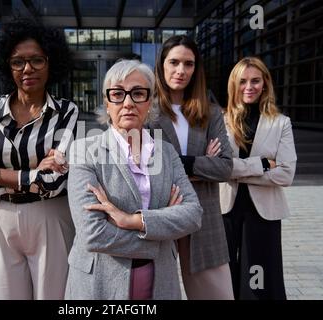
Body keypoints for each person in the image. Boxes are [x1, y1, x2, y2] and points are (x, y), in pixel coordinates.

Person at [0, 18, 78, 300]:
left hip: (51, 218)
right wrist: (33, 174)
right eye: (17, 62)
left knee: (54, 297)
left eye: (37, 60)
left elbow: (55, 181)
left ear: (51, 62)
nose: (27, 69)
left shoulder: (66, 112)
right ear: (6, 66)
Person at [65, 59, 203, 300]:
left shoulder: (166, 152)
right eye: (118, 94)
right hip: (101, 282)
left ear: (149, 102)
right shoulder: (83, 150)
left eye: (138, 93)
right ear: (107, 103)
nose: (128, 102)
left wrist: (133, 220)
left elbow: (193, 214)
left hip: (160, 280)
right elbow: (93, 233)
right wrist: (159, 236)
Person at [149, 35, 234, 299]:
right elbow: (144, 166)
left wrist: (180, 163)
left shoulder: (210, 112)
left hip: (204, 218)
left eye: (188, 64)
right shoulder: (146, 112)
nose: (181, 70)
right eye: (174, 62)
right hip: (160, 213)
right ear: (162, 65)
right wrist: (200, 164)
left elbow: (225, 168)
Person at [220, 57, 297, 300]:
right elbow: (217, 169)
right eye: (242, 81)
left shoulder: (281, 123)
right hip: (225, 209)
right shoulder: (220, 121)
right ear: (234, 84)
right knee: (225, 277)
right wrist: (263, 165)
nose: (249, 87)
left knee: (261, 280)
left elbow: (286, 173)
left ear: (265, 83)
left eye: (255, 80)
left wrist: (236, 172)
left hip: (263, 212)